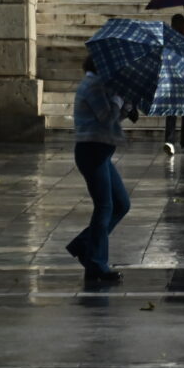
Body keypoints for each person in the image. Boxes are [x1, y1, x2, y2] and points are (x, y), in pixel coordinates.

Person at [65, 56, 137, 288]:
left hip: (101, 151)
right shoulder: (92, 85)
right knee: (105, 206)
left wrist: (126, 106)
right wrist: (118, 100)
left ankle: (84, 245)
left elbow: (112, 117)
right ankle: (97, 264)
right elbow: (106, 118)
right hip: (92, 151)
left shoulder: (100, 84)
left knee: (121, 203)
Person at [164, 14, 184, 156]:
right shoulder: (171, 42)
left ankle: (173, 142)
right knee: (180, 113)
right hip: (181, 78)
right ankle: (182, 143)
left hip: (178, 79)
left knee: (176, 112)